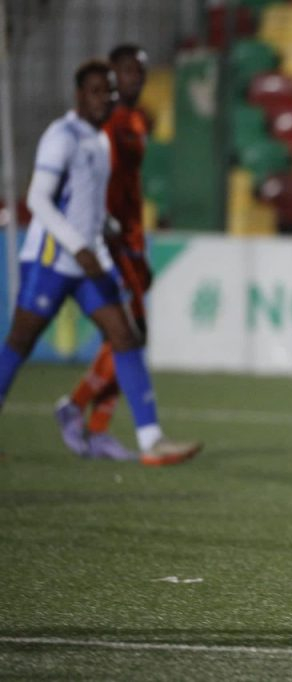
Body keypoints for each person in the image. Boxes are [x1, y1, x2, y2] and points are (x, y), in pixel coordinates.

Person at [0, 59, 201, 467]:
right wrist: (78, 245)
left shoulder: (99, 140)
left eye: (109, 92)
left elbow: (85, 202)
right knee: (20, 343)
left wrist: (105, 230)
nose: (104, 98)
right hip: (52, 261)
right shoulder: (62, 136)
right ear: (78, 94)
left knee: (125, 338)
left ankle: (151, 439)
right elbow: (38, 199)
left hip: (88, 262)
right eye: (95, 91)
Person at [55, 44, 153, 461]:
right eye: (128, 71)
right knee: (130, 333)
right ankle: (77, 408)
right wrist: (107, 234)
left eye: (140, 72)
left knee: (125, 335)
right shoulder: (103, 125)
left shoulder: (135, 120)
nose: (135, 79)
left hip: (131, 236)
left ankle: (96, 429)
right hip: (109, 239)